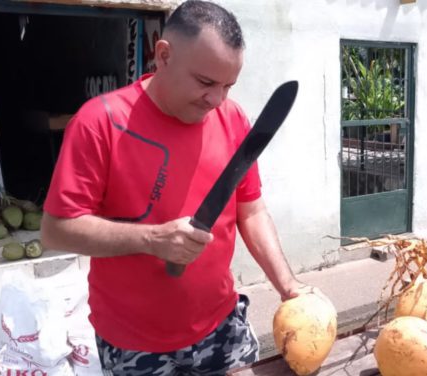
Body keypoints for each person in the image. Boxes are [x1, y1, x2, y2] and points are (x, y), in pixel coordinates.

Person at [40, 1, 311, 374]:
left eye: (228, 86)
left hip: (222, 325)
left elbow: (252, 209)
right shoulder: (99, 123)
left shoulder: (232, 119)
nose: (217, 99)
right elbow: (56, 230)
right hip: (134, 343)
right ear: (162, 56)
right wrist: (152, 239)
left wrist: (288, 286)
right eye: (205, 82)